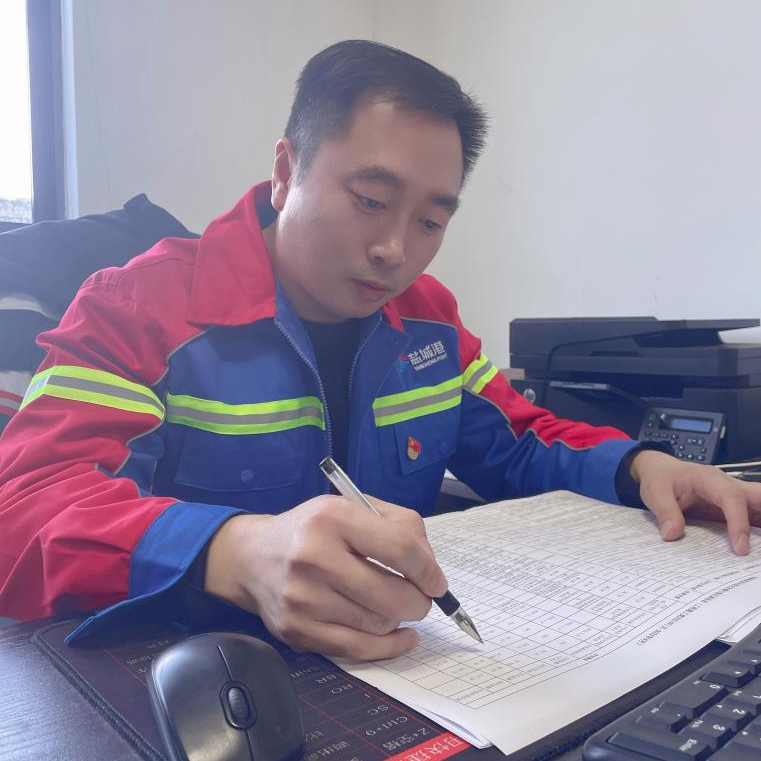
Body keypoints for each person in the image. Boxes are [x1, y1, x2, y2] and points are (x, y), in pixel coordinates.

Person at [1, 40, 759, 660]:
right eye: (369, 201)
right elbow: (23, 508)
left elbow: (520, 441)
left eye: (430, 222)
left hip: (400, 666)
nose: (395, 250)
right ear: (285, 171)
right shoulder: (138, 307)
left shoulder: (428, 320)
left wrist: (641, 467)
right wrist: (229, 552)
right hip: (207, 676)